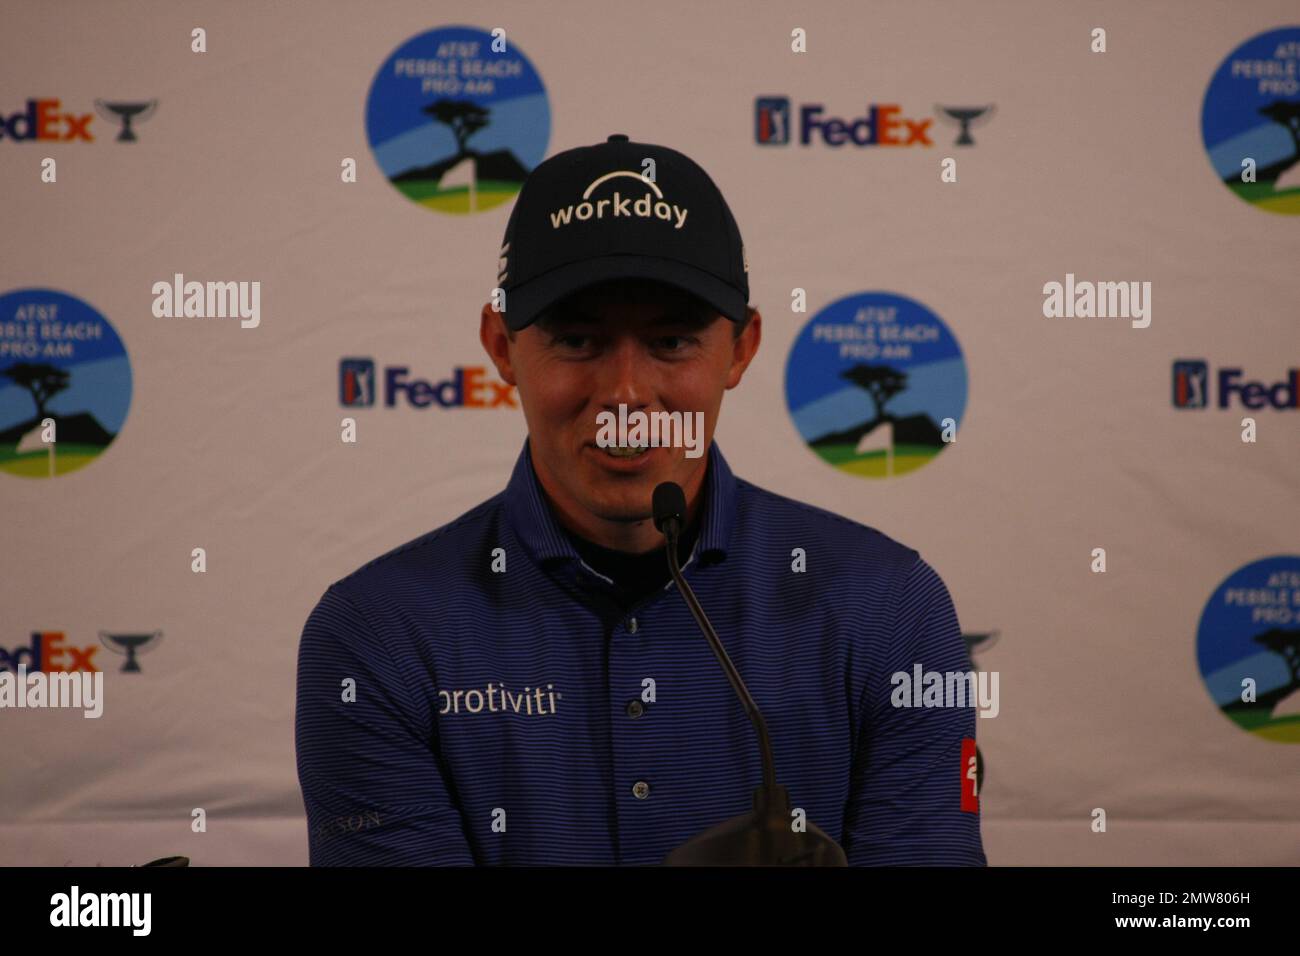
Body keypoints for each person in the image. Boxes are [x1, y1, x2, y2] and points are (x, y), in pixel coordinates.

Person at [295, 134, 986, 866]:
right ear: (500, 346)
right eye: (578, 340)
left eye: (673, 342)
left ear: (742, 349)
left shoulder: (889, 606)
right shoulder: (376, 637)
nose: (627, 395)